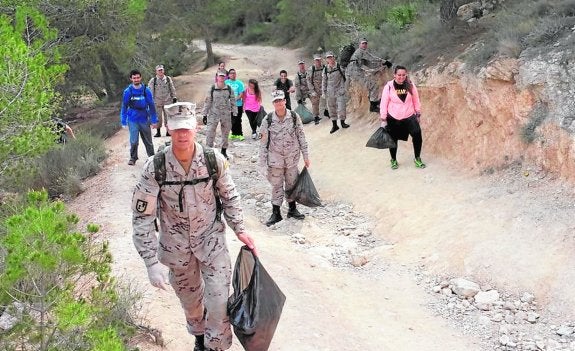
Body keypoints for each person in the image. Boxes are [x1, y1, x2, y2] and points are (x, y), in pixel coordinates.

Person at [131, 101, 257, 351]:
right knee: (191, 303)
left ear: (196, 127)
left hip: (211, 243)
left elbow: (229, 196)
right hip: (176, 250)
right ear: (168, 129)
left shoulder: (213, 161)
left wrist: (240, 229)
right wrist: (150, 262)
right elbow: (142, 218)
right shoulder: (155, 168)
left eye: (186, 128)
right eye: (177, 129)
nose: (182, 135)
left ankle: (215, 346)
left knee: (219, 302)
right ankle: (199, 337)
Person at [259, 90, 310, 227]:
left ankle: (292, 209)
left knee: (292, 183)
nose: (279, 103)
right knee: (276, 186)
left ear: (285, 101)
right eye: (276, 101)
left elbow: (301, 137)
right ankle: (276, 213)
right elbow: (263, 144)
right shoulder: (267, 120)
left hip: (292, 158)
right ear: (273, 103)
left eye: (280, 100)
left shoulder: (294, 117)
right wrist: (262, 164)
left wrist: (306, 156)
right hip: (275, 160)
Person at [379, 65, 425, 169]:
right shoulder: (389, 86)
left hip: (409, 116)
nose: (401, 77)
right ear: (394, 75)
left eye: (403, 75)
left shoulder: (410, 85)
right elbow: (384, 103)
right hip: (394, 117)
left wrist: (418, 113)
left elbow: (416, 100)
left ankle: (417, 158)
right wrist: (383, 118)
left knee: (417, 136)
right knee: (393, 140)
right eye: (399, 75)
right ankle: (393, 160)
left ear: (406, 74)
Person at [120, 69, 158, 165]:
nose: (136, 79)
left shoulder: (146, 90)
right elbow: (124, 106)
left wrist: (154, 120)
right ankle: (133, 158)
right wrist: (123, 121)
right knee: (134, 141)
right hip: (132, 119)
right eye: (134, 78)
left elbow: (152, 105)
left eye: (138, 77)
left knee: (148, 141)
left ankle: (152, 157)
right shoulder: (128, 92)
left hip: (144, 118)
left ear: (140, 78)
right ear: (131, 79)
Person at [347, 38, 392, 113]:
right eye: (363, 43)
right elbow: (372, 58)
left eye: (365, 43)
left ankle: (373, 101)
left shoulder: (359, 53)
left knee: (370, 84)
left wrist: (381, 65)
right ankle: (373, 105)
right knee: (373, 85)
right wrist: (385, 61)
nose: (364, 45)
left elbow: (369, 64)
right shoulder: (361, 51)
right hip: (355, 72)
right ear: (359, 45)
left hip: (354, 71)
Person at [202, 70, 237, 159]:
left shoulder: (229, 88)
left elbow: (233, 101)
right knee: (210, 132)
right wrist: (204, 114)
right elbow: (208, 101)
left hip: (226, 114)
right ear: (217, 77)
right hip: (214, 113)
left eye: (223, 76)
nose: (221, 78)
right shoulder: (212, 88)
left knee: (225, 133)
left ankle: (224, 151)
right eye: (220, 76)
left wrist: (234, 113)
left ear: (225, 77)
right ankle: (209, 151)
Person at [322, 51, 349, 134]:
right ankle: (335, 125)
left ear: (334, 57)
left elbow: (346, 77)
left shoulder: (339, 66)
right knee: (331, 108)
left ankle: (342, 123)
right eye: (328, 58)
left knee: (341, 107)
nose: (330, 59)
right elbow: (324, 82)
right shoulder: (325, 69)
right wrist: (324, 92)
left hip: (340, 90)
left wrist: (345, 88)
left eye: (331, 57)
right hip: (330, 92)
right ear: (326, 60)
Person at [148, 64, 177, 137]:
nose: (161, 71)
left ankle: (168, 131)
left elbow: (172, 88)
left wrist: (174, 97)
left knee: (168, 116)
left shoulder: (168, 79)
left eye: (162, 70)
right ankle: (158, 132)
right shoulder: (153, 80)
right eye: (159, 70)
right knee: (158, 117)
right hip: (157, 101)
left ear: (163, 70)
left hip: (167, 100)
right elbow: (150, 91)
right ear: (156, 72)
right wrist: (150, 101)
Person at [225, 68, 245, 141]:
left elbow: (241, 94)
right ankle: (233, 133)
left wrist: (234, 100)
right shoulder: (226, 82)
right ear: (229, 75)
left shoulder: (239, 83)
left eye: (234, 73)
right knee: (231, 120)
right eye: (231, 73)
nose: (233, 74)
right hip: (228, 105)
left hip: (238, 104)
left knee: (238, 120)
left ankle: (240, 134)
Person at [307, 54, 326, 125]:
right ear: (314, 61)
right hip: (315, 89)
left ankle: (328, 113)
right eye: (316, 60)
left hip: (323, 88)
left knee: (328, 101)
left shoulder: (324, 67)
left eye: (319, 60)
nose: (317, 61)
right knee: (315, 103)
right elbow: (308, 81)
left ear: (320, 60)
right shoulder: (311, 69)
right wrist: (312, 91)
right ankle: (316, 117)